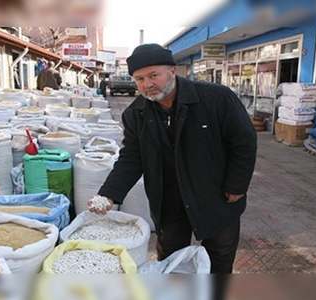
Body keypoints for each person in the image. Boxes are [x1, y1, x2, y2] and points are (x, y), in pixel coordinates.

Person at [88, 44, 257, 275]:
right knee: (171, 261)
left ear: (173, 71)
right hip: (169, 201)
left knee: (219, 256)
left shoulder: (215, 98)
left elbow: (243, 141)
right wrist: (108, 193)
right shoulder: (135, 114)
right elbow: (131, 158)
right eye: (139, 79)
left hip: (216, 196)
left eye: (153, 75)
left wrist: (237, 185)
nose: (147, 84)